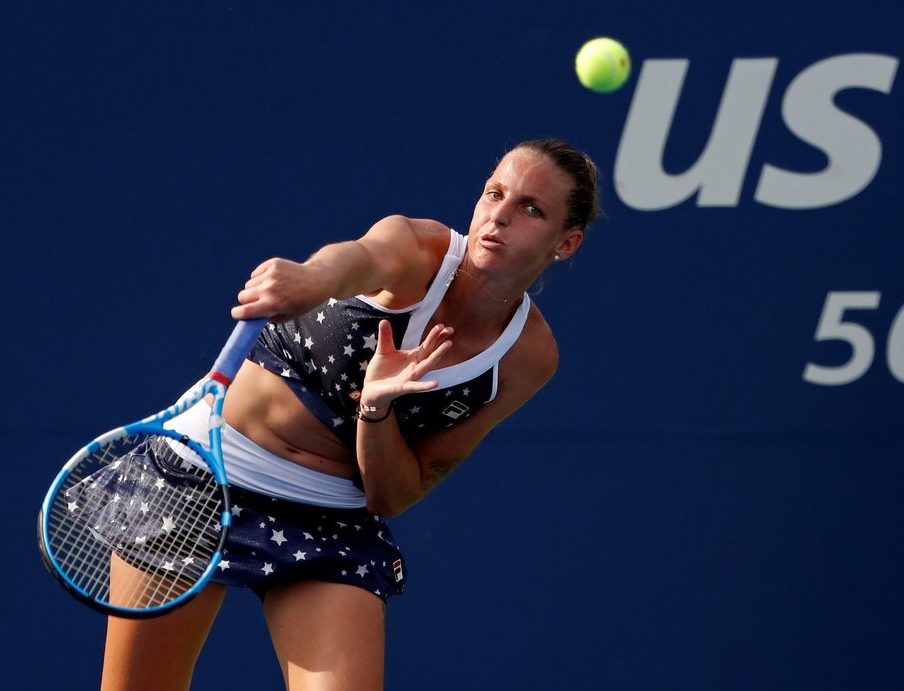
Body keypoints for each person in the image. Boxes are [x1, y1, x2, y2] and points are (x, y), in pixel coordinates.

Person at [98, 138, 600, 691]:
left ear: (566, 242)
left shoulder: (529, 357)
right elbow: (355, 259)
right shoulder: (420, 250)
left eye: (531, 208)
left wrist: (376, 408)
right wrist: (310, 279)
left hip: (327, 516)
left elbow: (395, 495)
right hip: (202, 475)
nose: (499, 216)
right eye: (494, 193)